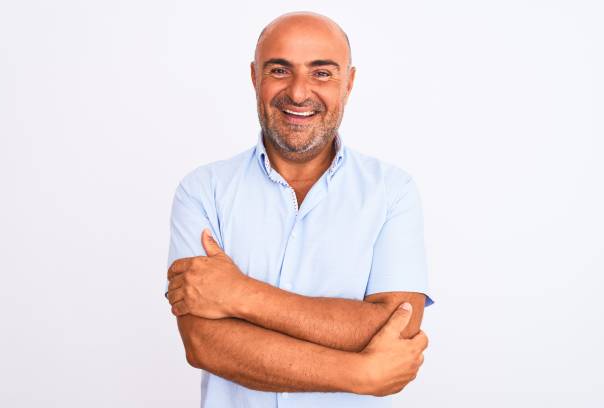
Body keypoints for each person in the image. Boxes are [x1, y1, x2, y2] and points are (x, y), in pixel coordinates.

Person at [165, 11, 433, 407]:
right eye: (279, 70)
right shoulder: (203, 191)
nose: (299, 92)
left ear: (349, 82)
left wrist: (239, 294)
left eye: (322, 73)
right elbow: (205, 344)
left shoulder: (392, 192)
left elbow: (398, 325)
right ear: (255, 77)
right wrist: (359, 373)